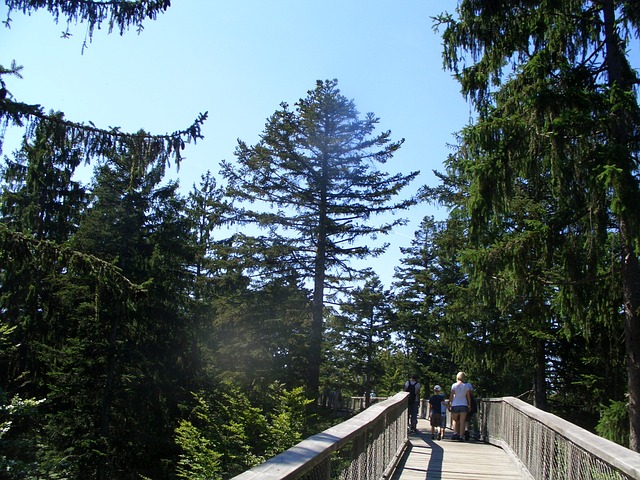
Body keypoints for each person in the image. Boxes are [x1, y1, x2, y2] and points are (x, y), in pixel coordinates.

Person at [448, 371, 472, 441]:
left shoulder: (454, 385)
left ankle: (455, 433)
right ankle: (461, 436)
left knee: (455, 420)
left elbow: (452, 396)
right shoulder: (466, 386)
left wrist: (449, 403)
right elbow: (468, 397)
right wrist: (469, 405)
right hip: (464, 404)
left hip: (455, 404)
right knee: (462, 421)